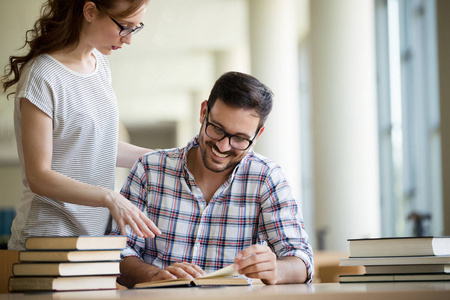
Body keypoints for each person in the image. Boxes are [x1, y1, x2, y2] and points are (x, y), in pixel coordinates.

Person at [112, 71, 314, 287]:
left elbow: (302, 261)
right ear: (203, 112)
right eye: (217, 129)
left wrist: (277, 269)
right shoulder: (149, 169)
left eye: (240, 138)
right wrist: (152, 275)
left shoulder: (267, 179)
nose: (223, 146)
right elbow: (117, 252)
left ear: (257, 136)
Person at [1, 0, 161, 250]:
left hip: (92, 239)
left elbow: (96, 146)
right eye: (125, 26)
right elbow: (38, 176)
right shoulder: (42, 75)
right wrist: (109, 197)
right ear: (89, 11)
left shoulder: (100, 66)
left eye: (135, 28)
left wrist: (160, 159)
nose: (129, 39)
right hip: (46, 238)